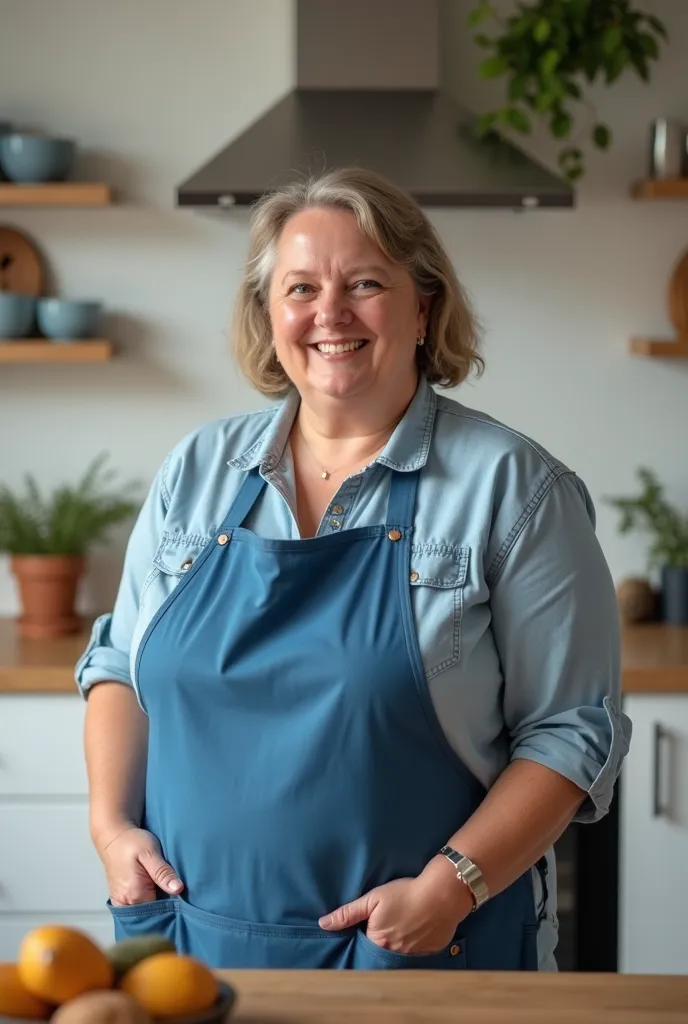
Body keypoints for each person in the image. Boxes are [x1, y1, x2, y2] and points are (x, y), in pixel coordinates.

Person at [76, 166, 631, 972]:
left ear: (423, 307)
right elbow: (122, 665)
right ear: (269, 316)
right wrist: (109, 828)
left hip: (422, 950)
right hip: (191, 948)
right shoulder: (195, 472)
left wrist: (451, 889)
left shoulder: (514, 489)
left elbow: (573, 733)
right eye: (300, 288)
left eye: (365, 283)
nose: (329, 314)